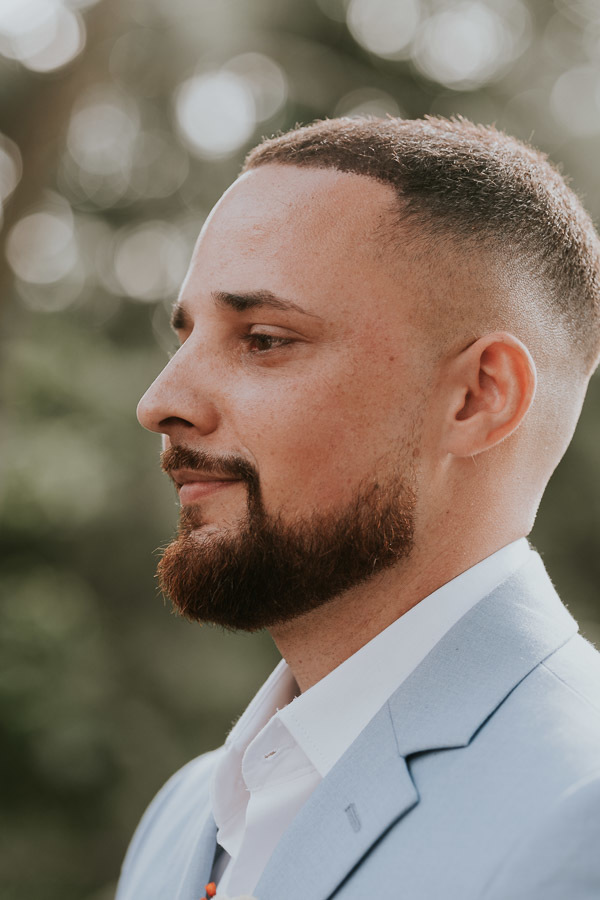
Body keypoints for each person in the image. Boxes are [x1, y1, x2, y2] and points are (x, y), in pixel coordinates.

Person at [116, 116, 600, 900]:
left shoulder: (580, 813)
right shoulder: (180, 818)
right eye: (186, 336)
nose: (159, 402)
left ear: (478, 397)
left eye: (263, 338)